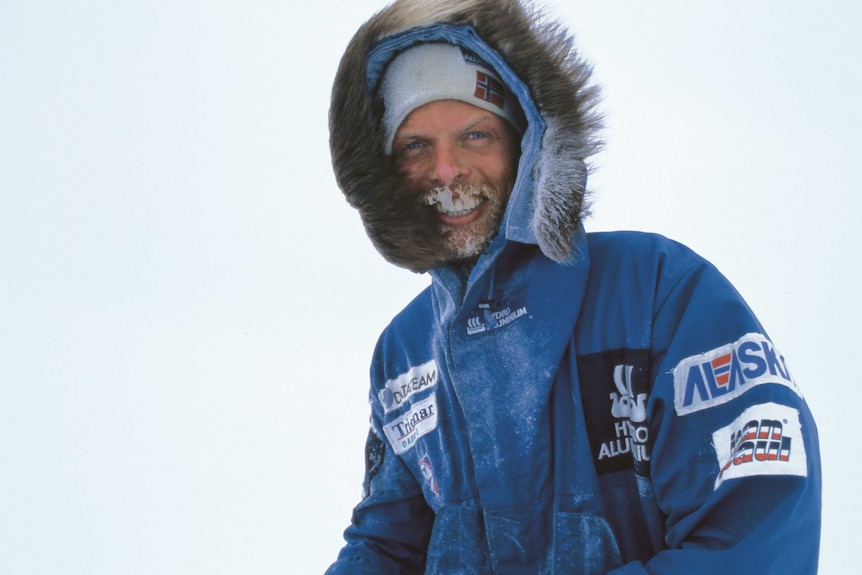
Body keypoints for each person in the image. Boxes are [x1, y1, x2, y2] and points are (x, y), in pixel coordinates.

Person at [324, 0, 822, 573]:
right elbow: (385, 549)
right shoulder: (404, 354)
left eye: (475, 135)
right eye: (416, 146)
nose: (445, 170)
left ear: (527, 143)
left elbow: (756, 539)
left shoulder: (661, 293)